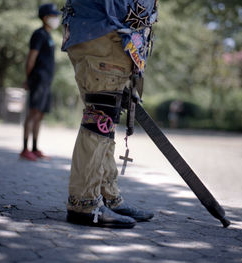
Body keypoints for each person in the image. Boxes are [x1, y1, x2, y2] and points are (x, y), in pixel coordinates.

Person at [61, 0, 158, 228]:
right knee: (100, 118)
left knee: (104, 122)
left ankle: (107, 195)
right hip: (106, 33)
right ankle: (84, 204)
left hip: (94, 30)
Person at [20, 3, 61, 161]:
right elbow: (31, 59)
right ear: (45, 18)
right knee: (33, 113)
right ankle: (25, 148)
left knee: (40, 114)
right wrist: (28, 78)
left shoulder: (48, 36)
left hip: (46, 81)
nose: (56, 19)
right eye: (53, 16)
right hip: (38, 79)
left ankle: (35, 148)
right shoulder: (38, 34)